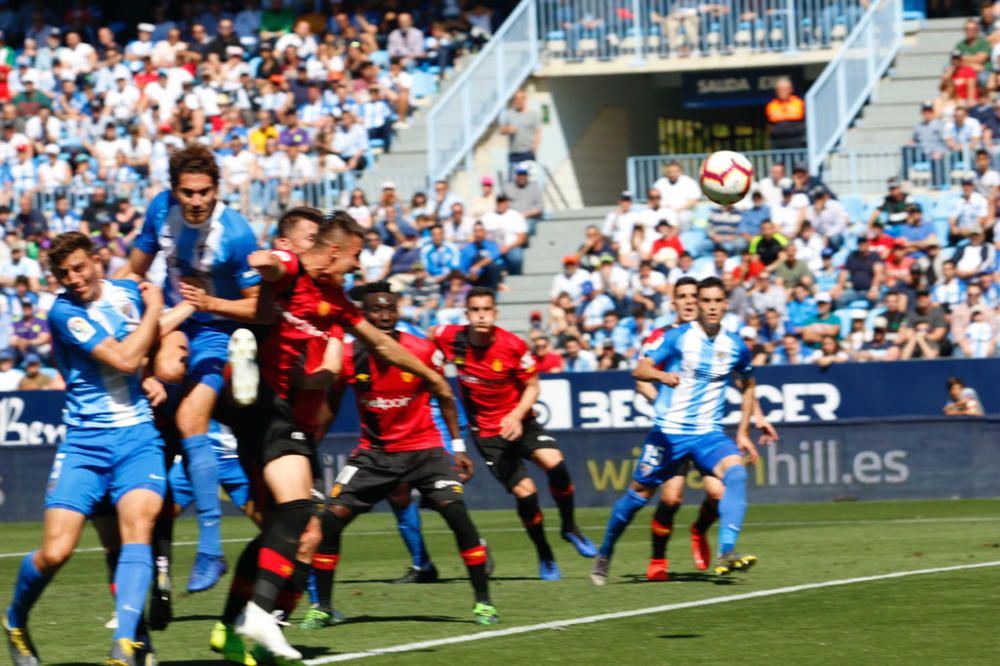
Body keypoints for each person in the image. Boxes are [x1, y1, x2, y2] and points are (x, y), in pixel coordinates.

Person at [217, 211, 456, 662]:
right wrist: (264, 265)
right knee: (300, 514)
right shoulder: (292, 267)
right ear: (333, 251)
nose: (358, 265)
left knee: (286, 523)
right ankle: (261, 617)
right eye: (356, 256)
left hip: (275, 413)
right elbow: (270, 261)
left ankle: (236, 626)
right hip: (266, 404)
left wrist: (432, 377)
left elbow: (384, 345)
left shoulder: (335, 300)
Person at [4, 232, 165, 666]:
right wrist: (154, 314)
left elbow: (150, 341)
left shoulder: (129, 291)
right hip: (85, 445)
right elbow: (126, 357)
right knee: (56, 552)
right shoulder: (63, 312)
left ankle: (126, 645)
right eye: (62, 273)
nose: (72, 279)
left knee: (135, 536)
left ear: (98, 261)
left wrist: (150, 371)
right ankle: (15, 619)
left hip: (138, 440)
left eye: (79, 267)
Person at [308, 282, 499, 628]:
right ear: (362, 315)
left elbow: (444, 394)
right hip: (374, 454)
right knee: (330, 520)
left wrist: (456, 447)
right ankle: (322, 606)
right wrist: (309, 446)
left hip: (425, 450)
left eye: (390, 309)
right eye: (376, 310)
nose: (384, 316)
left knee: (456, 514)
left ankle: (483, 603)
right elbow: (330, 406)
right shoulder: (350, 356)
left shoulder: (422, 350)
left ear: (397, 312)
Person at [122, 144, 261, 594]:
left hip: (220, 324)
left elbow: (260, 305)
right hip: (178, 319)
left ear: (217, 190)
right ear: (174, 191)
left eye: (205, 192)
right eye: (188, 192)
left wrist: (211, 303)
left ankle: (210, 549)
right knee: (165, 369)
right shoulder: (159, 211)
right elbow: (134, 270)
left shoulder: (237, 234)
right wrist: (125, 310)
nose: (197, 201)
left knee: (188, 418)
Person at [592, 277, 762, 586]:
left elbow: (749, 383)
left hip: (708, 434)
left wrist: (744, 432)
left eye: (716, 301)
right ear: (697, 304)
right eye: (705, 301)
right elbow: (639, 370)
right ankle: (605, 552)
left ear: (725, 304)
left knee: (735, 475)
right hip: (669, 434)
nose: (710, 307)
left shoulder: (735, 345)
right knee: (641, 496)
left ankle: (726, 551)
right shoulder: (676, 338)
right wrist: (660, 376)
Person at [433, 288, 596, 580]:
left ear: (495, 314)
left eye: (486, 309)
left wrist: (517, 415)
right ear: (467, 315)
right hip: (487, 434)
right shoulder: (450, 337)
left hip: (521, 421)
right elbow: (430, 337)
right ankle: (545, 554)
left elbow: (533, 386)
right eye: (475, 310)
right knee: (526, 494)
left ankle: (569, 526)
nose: (481, 315)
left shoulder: (513, 345)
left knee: (555, 463)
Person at [501, 89, 540, 166]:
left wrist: (534, 148)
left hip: (528, 153)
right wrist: (508, 129)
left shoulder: (533, 115)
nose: (518, 101)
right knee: (514, 178)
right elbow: (502, 130)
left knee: (528, 178)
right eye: (516, 98)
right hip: (514, 154)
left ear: (525, 99)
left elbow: (538, 132)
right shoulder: (509, 114)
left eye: (521, 98)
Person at [765, 77, 806, 149]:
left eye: (785, 89)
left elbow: (807, 121)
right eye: (780, 89)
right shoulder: (771, 105)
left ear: (791, 89)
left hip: (797, 140)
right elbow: (768, 123)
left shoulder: (799, 103)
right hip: (777, 141)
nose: (782, 91)